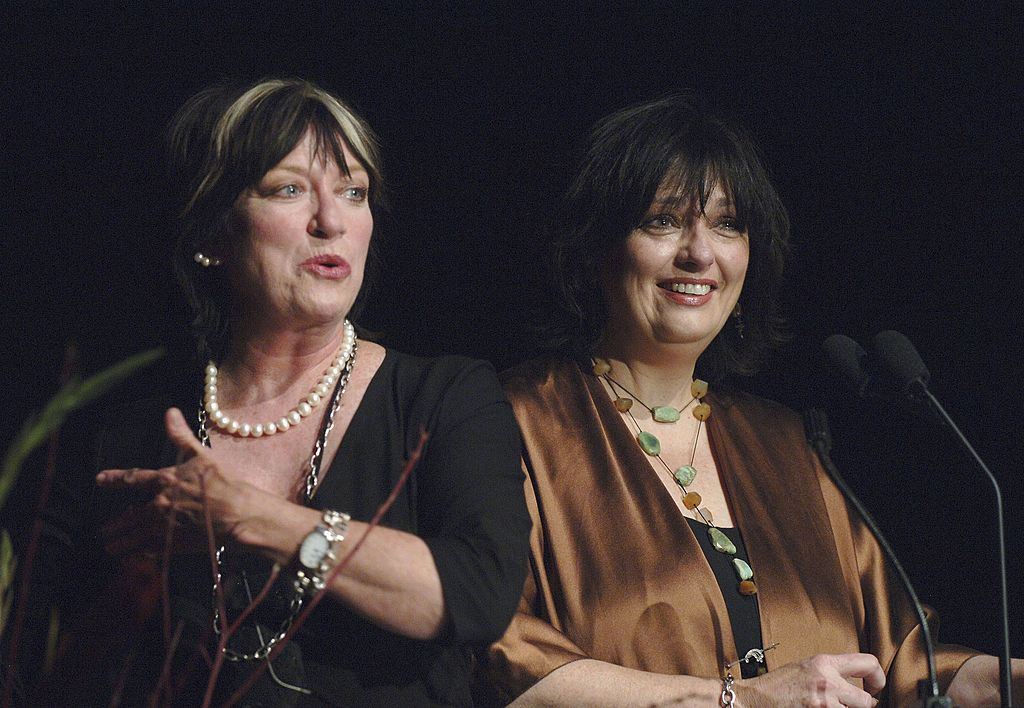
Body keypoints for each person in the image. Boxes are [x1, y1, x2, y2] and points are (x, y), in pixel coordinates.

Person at [484, 95, 1022, 706]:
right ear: (596, 247)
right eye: (662, 220)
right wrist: (740, 699)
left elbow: (903, 658)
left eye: (727, 224)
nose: (700, 253)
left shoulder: (789, 443)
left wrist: (1007, 679)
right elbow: (501, 657)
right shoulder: (512, 423)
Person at [25, 78, 530, 706]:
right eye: (289, 189)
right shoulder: (127, 438)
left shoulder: (442, 398)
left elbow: (477, 595)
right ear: (213, 236)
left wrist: (250, 518)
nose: (331, 221)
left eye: (354, 192)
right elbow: (45, 657)